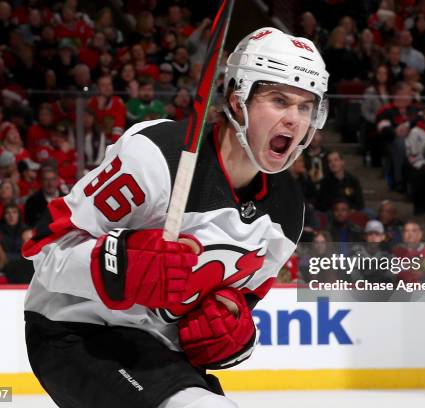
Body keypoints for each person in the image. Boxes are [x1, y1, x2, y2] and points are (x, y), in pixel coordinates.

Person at [23, 26, 329, 408]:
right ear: (238, 100)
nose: (294, 119)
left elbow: (239, 302)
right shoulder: (157, 156)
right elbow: (44, 249)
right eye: (280, 100)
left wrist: (229, 329)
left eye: (305, 106)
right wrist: (125, 268)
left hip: (158, 350)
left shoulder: (288, 211)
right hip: (76, 331)